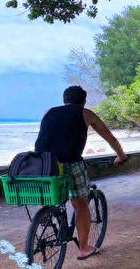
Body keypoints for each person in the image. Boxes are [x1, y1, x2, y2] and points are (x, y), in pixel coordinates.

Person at [35, 85, 128, 260]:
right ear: (84, 101)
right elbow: (110, 138)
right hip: (70, 162)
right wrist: (121, 156)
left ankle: (48, 212)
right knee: (80, 204)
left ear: (64, 100)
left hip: (43, 162)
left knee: (55, 193)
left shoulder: (48, 112)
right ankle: (84, 248)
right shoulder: (86, 114)